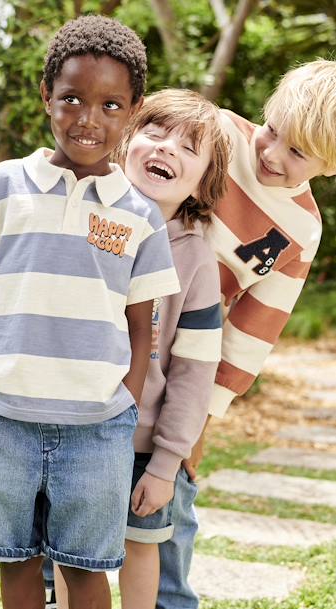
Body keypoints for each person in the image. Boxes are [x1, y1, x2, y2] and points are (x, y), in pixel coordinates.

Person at [0, 15, 181, 609]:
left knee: (86, 567)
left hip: (97, 423)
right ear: (46, 96)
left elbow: (139, 318)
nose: (88, 119)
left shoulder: (139, 213)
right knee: (16, 559)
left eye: (110, 105)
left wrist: (124, 395)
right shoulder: (3, 185)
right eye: (71, 98)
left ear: (133, 110)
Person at [157, 59, 336, 609]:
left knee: (170, 498)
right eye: (273, 130)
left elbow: (251, 332)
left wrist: (203, 418)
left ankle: (171, 599)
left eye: (297, 153)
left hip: (188, 357)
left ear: (330, 166)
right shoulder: (216, 134)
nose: (272, 153)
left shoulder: (301, 231)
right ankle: (49, 586)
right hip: (119, 319)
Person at [52, 88, 230, 609]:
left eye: (188, 147)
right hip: (72, 428)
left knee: (141, 545)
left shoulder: (196, 258)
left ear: (204, 180)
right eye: (155, 132)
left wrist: (166, 462)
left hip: (141, 445)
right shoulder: (84, 214)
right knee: (71, 552)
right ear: (127, 140)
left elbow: (196, 370)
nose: (168, 148)